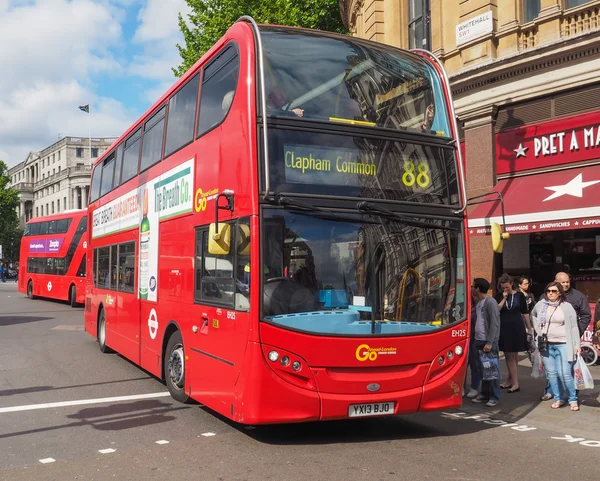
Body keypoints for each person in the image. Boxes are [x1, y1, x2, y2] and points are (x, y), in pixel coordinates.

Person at [540, 272, 591, 401]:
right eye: (562, 282)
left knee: (568, 369)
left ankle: (572, 394)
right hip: (549, 341)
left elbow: (585, 316)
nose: (565, 284)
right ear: (555, 282)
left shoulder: (578, 297)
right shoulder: (546, 296)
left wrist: (576, 333)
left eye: (567, 281)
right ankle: (551, 391)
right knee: (551, 370)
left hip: (568, 340)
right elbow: (537, 315)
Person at [531, 281, 581, 411]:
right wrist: (538, 330)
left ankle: (572, 399)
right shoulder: (541, 305)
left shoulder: (567, 306)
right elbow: (533, 315)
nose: (550, 293)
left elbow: (574, 326)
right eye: (548, 291)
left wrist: (577, 344)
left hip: (564, 344)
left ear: (559, 293)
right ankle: (559, 398)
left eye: (553, 291)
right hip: (546, 344)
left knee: (565, 373)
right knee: (552, 374)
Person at [467, 278, 501, 407]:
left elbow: (494, 323)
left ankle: (494, 396)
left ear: (478, 289)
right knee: (482, 370)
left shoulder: (490, 302)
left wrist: (490, 342)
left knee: (491, 370)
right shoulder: (479, 303)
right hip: (478, 340)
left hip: (487, 342)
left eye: (473, 286)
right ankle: (485, 393)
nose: (471, 289)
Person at [496, 273, 532, 393]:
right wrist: (504, 297)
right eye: (503, 287)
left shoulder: (520, 295)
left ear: (511, 284)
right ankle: (510, 380)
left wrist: (529, 328)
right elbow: (497, 309)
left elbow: (525, 312)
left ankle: (515, 383)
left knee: (512, 355)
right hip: (505, 327)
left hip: (517, 326)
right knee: (509, 355)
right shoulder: (499, 296)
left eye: (507, 287)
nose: (505, 289)